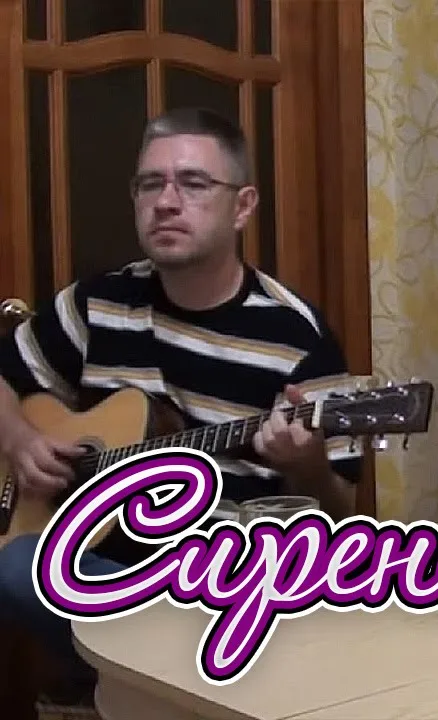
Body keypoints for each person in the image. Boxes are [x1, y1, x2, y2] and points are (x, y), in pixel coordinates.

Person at [0, 107, 363, 703]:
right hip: (98, 565)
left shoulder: (299, 337)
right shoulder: (97, 304)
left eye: (193, 184)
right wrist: (19, 440)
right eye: (151, 184)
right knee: (19, 566)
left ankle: (143, 682)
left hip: (215, 583)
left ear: (242, 206)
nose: (166, 202)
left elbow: (341, 514)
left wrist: (308, 467)